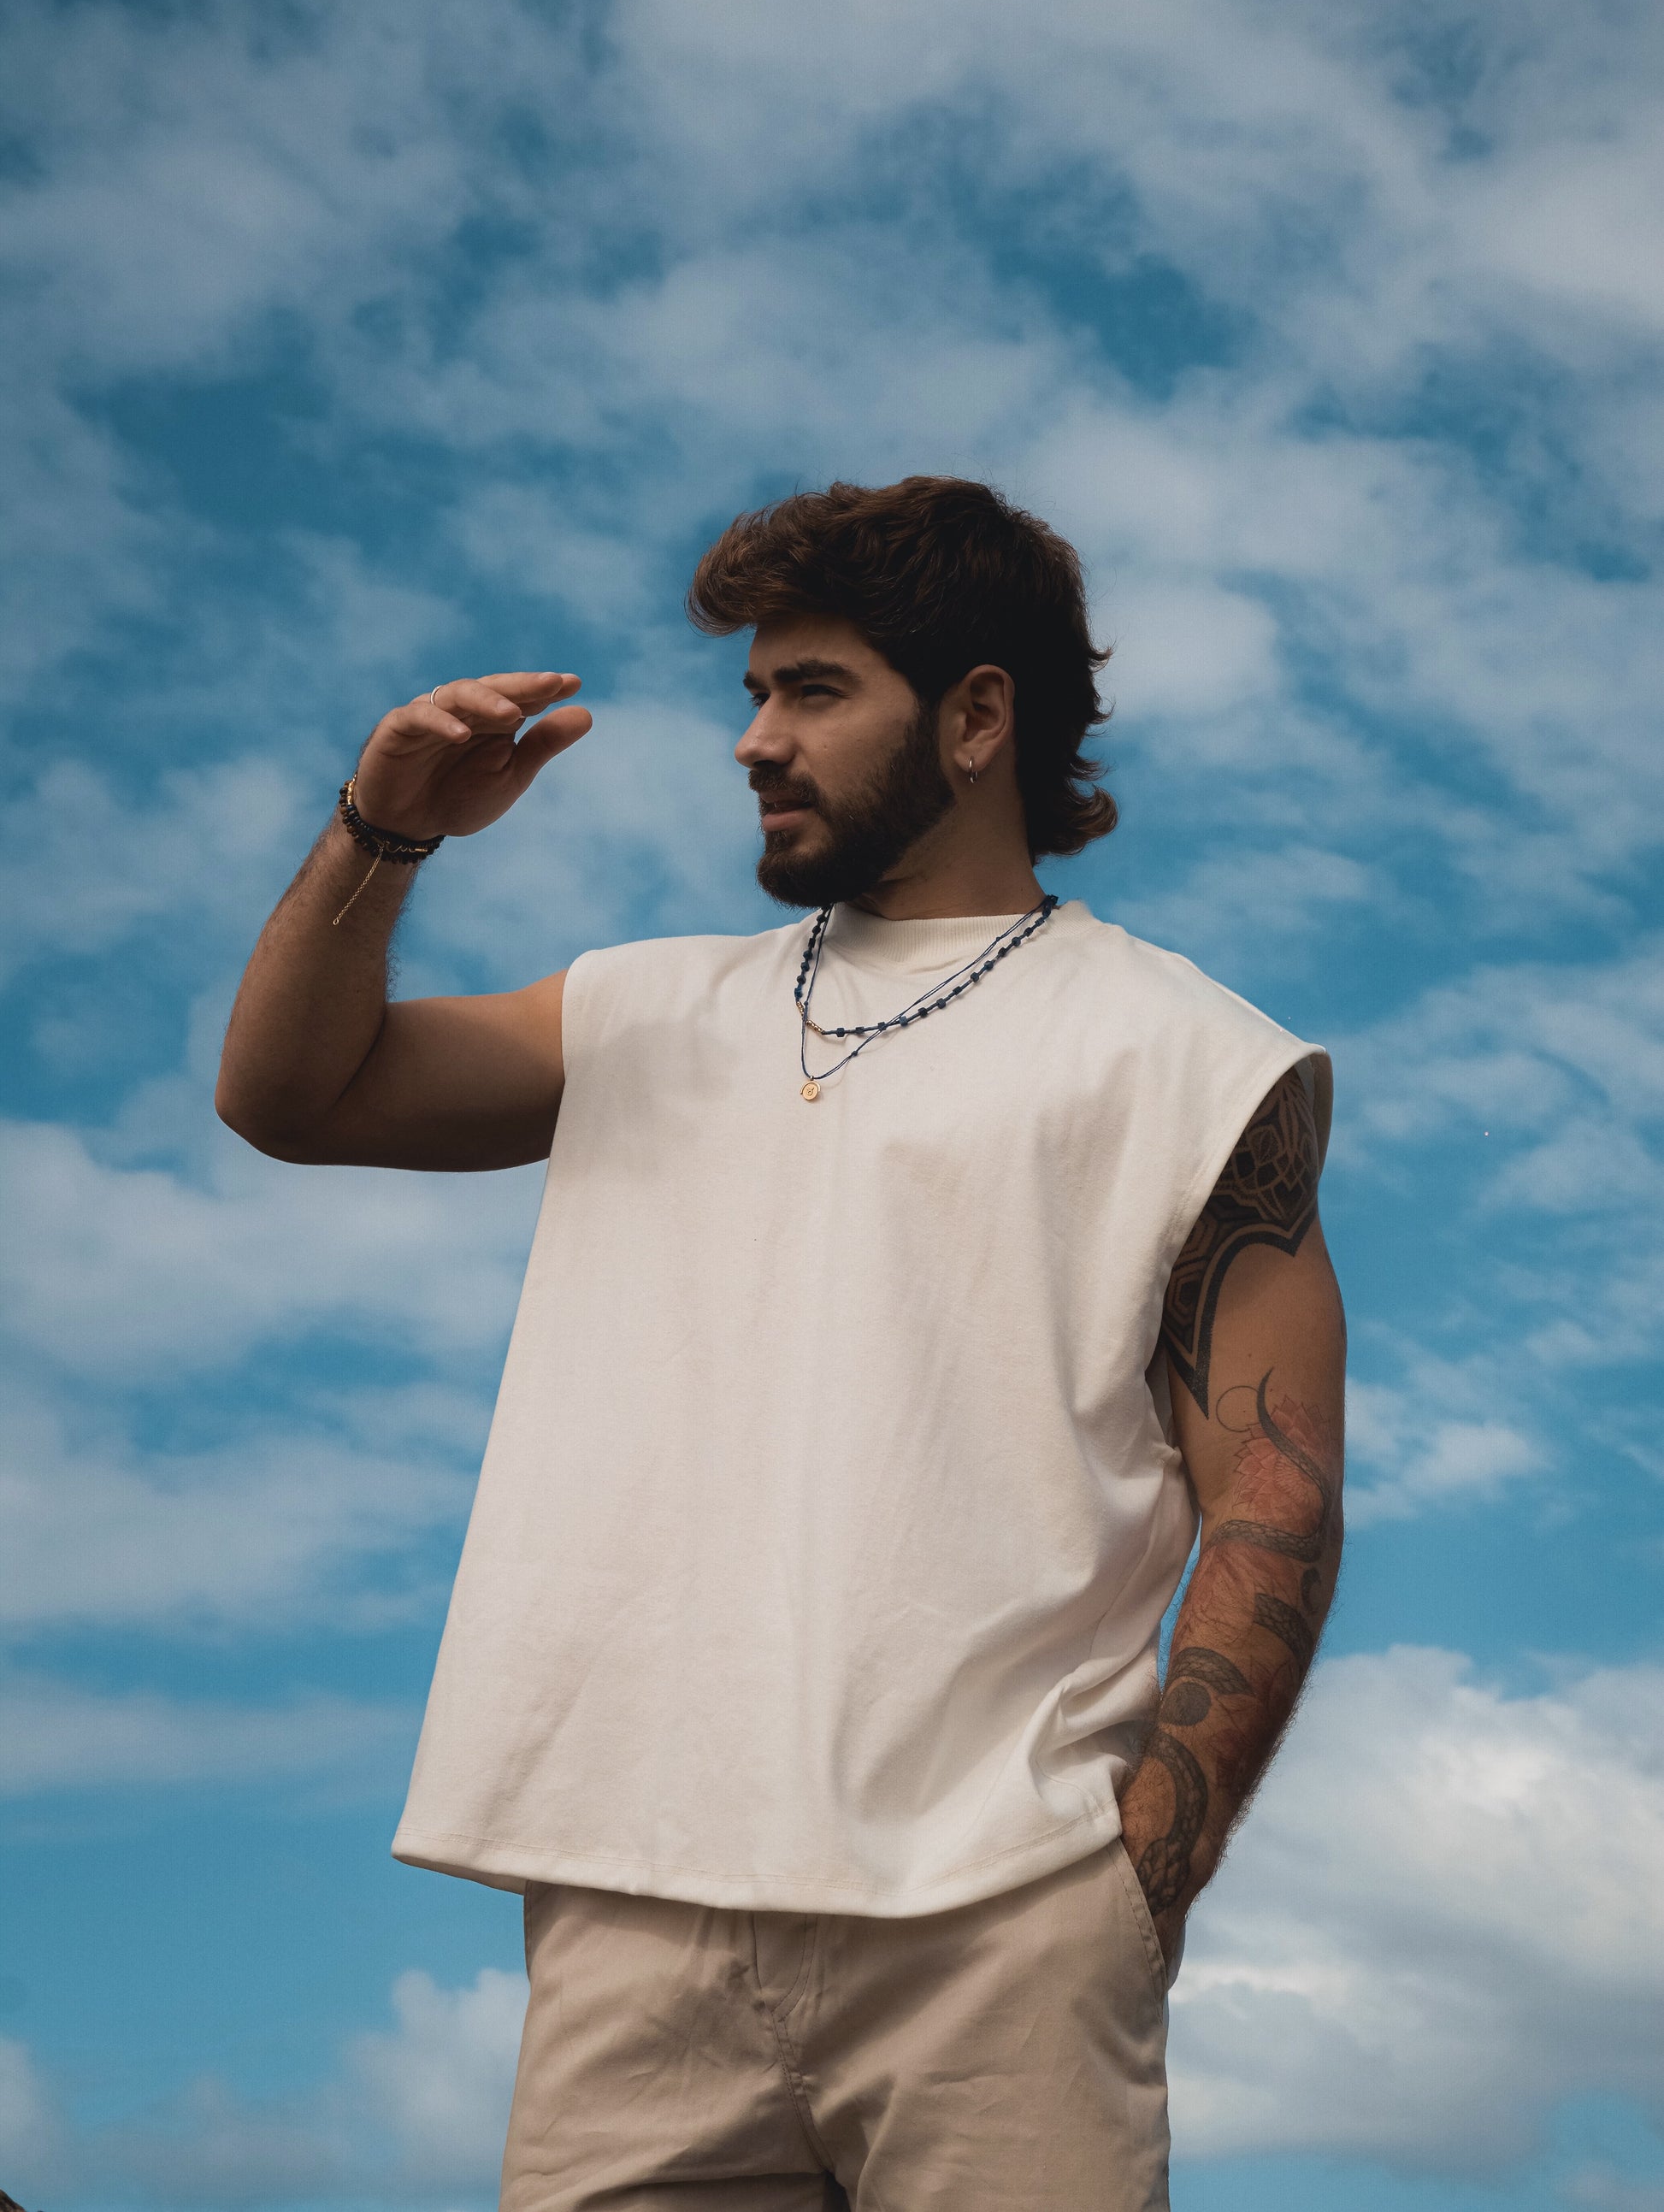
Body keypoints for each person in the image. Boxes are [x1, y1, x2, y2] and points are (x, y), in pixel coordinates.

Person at [218, 476, 1345, 2212]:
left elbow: (1273, 1488)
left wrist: (1137, 1878)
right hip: (630, 1913)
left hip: (1001, 1920)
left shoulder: (1187, 1057)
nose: (753, 738)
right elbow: (292, 1096)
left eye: (812, 689)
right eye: (752, 692)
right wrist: (383, 828)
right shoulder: (640, 1009)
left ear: (976, 716)